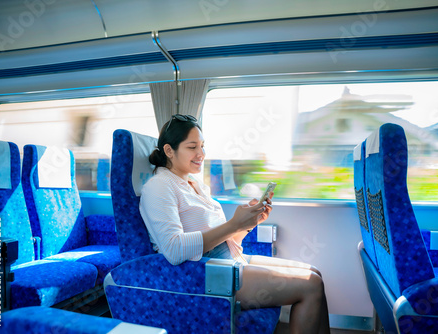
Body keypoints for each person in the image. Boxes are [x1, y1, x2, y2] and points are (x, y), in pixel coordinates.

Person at [139, 114, 330, 334]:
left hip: (227, 260)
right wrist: (233, 224)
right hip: (204, 273)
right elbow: (173, 249)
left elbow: (225, 241)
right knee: (310, 285)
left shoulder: (195, 185)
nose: (201, 154)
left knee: (314, 273)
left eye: (202, 146)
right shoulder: (159, 187)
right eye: (192, 147)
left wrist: (247, 224)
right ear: (169, 151)